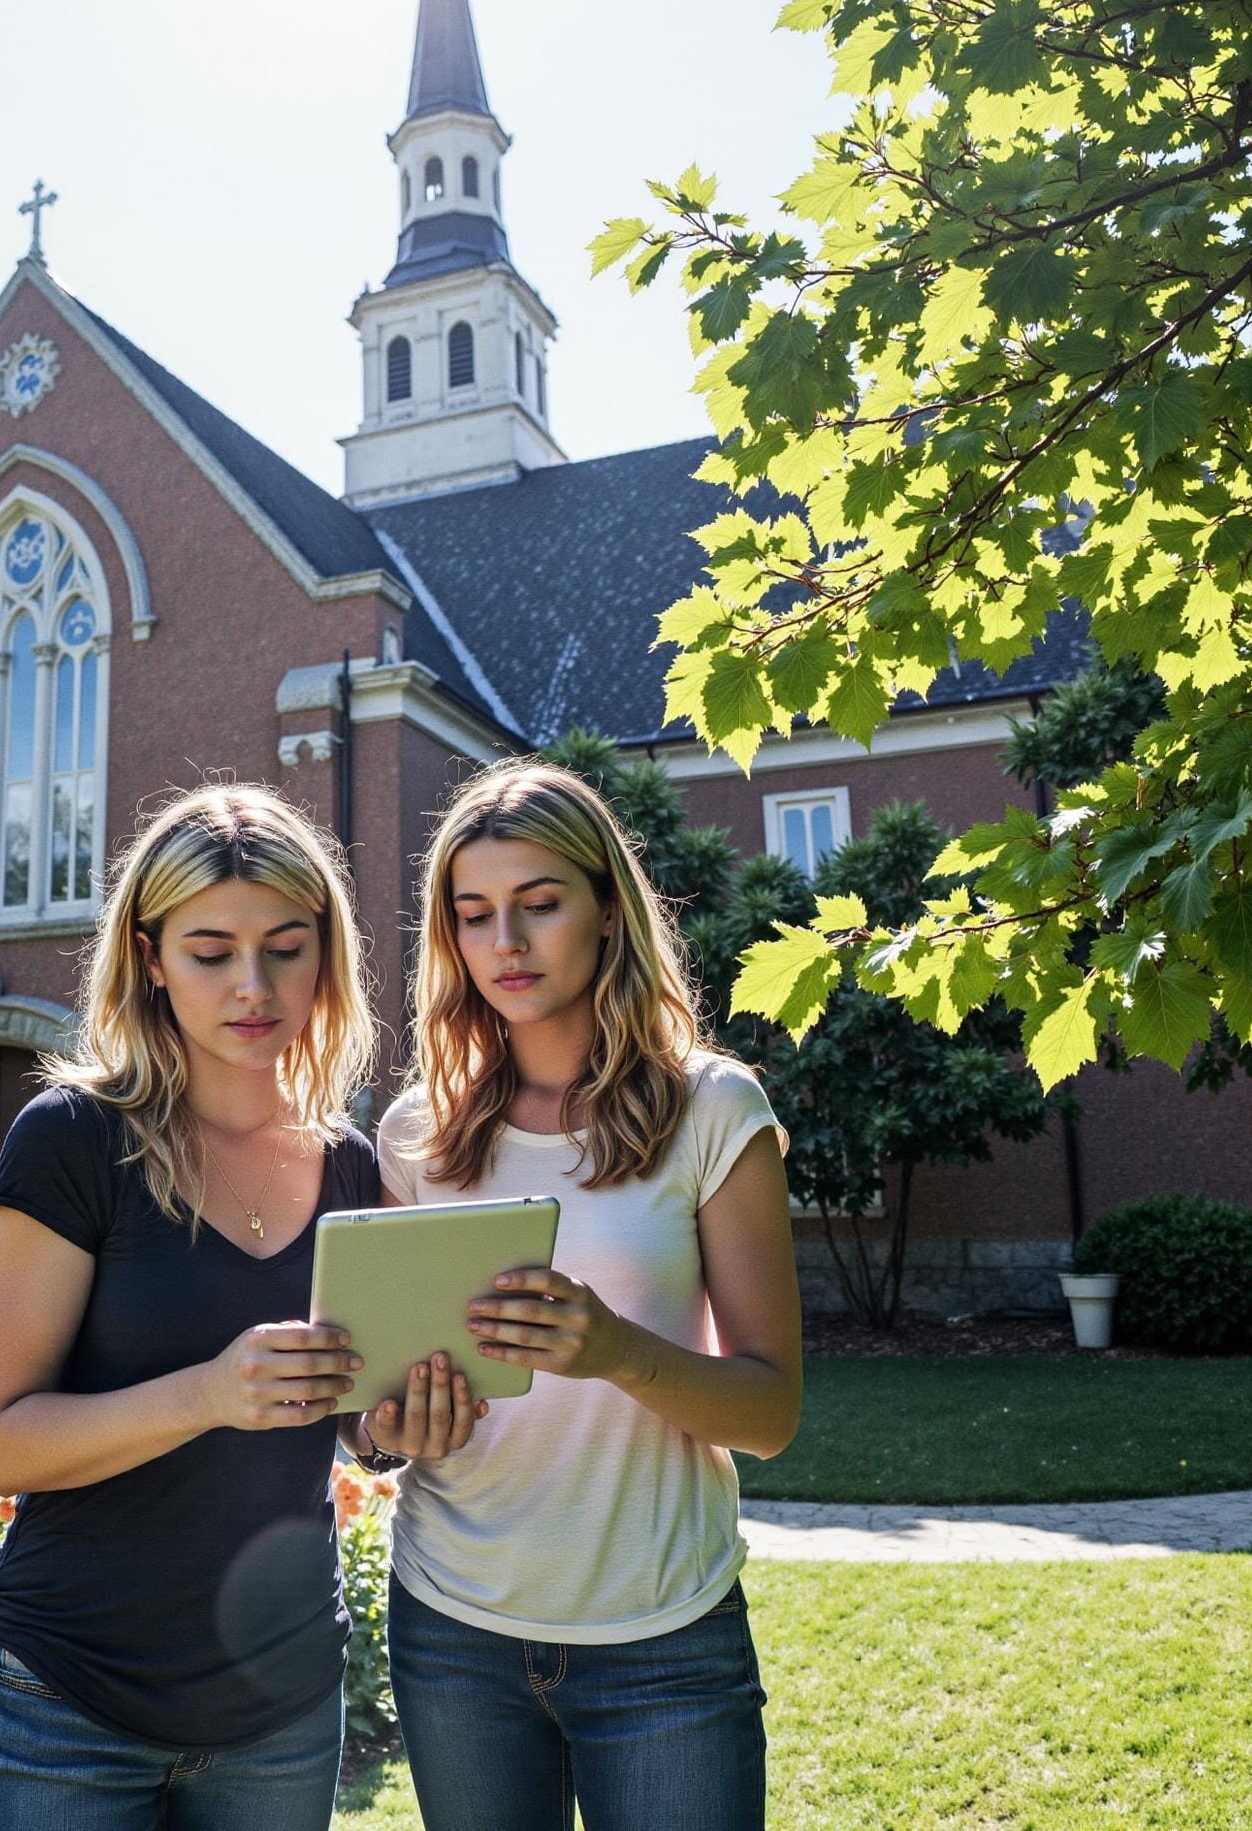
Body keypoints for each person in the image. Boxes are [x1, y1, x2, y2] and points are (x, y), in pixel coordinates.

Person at [0, 784, 473, 1831]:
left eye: (286, 946)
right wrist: (204, 1392)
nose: (252, 984)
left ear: (324, 951)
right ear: (148, 956)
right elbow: (2, 1442)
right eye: (208, 950)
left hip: (280, 1712)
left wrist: (388, 1429)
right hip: (69, 1699)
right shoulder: (71, 1138)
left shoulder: (351, 1167)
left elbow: (345, 1419)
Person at [360, 758, 802, 1831]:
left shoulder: (711, 1108)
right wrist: (384, 1425)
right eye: (473, 915)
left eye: (538, 904)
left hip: (663, 1635)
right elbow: (374, 1426)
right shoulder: (417, 1132)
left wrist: (616, 1350)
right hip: (451, 1628)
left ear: (607, 909)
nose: (503, 943)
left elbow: (771, 1413)